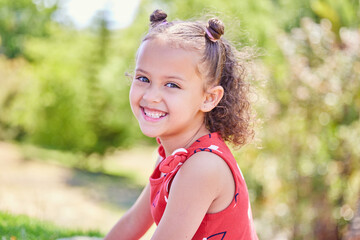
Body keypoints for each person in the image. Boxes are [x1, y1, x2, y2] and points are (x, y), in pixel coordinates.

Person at [105, 9, 258, 240]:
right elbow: (134, 223)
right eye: (143, 79)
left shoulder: (203, 166)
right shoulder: (174, 156)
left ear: (209, 98)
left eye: (172, 85)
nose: (151, 96)